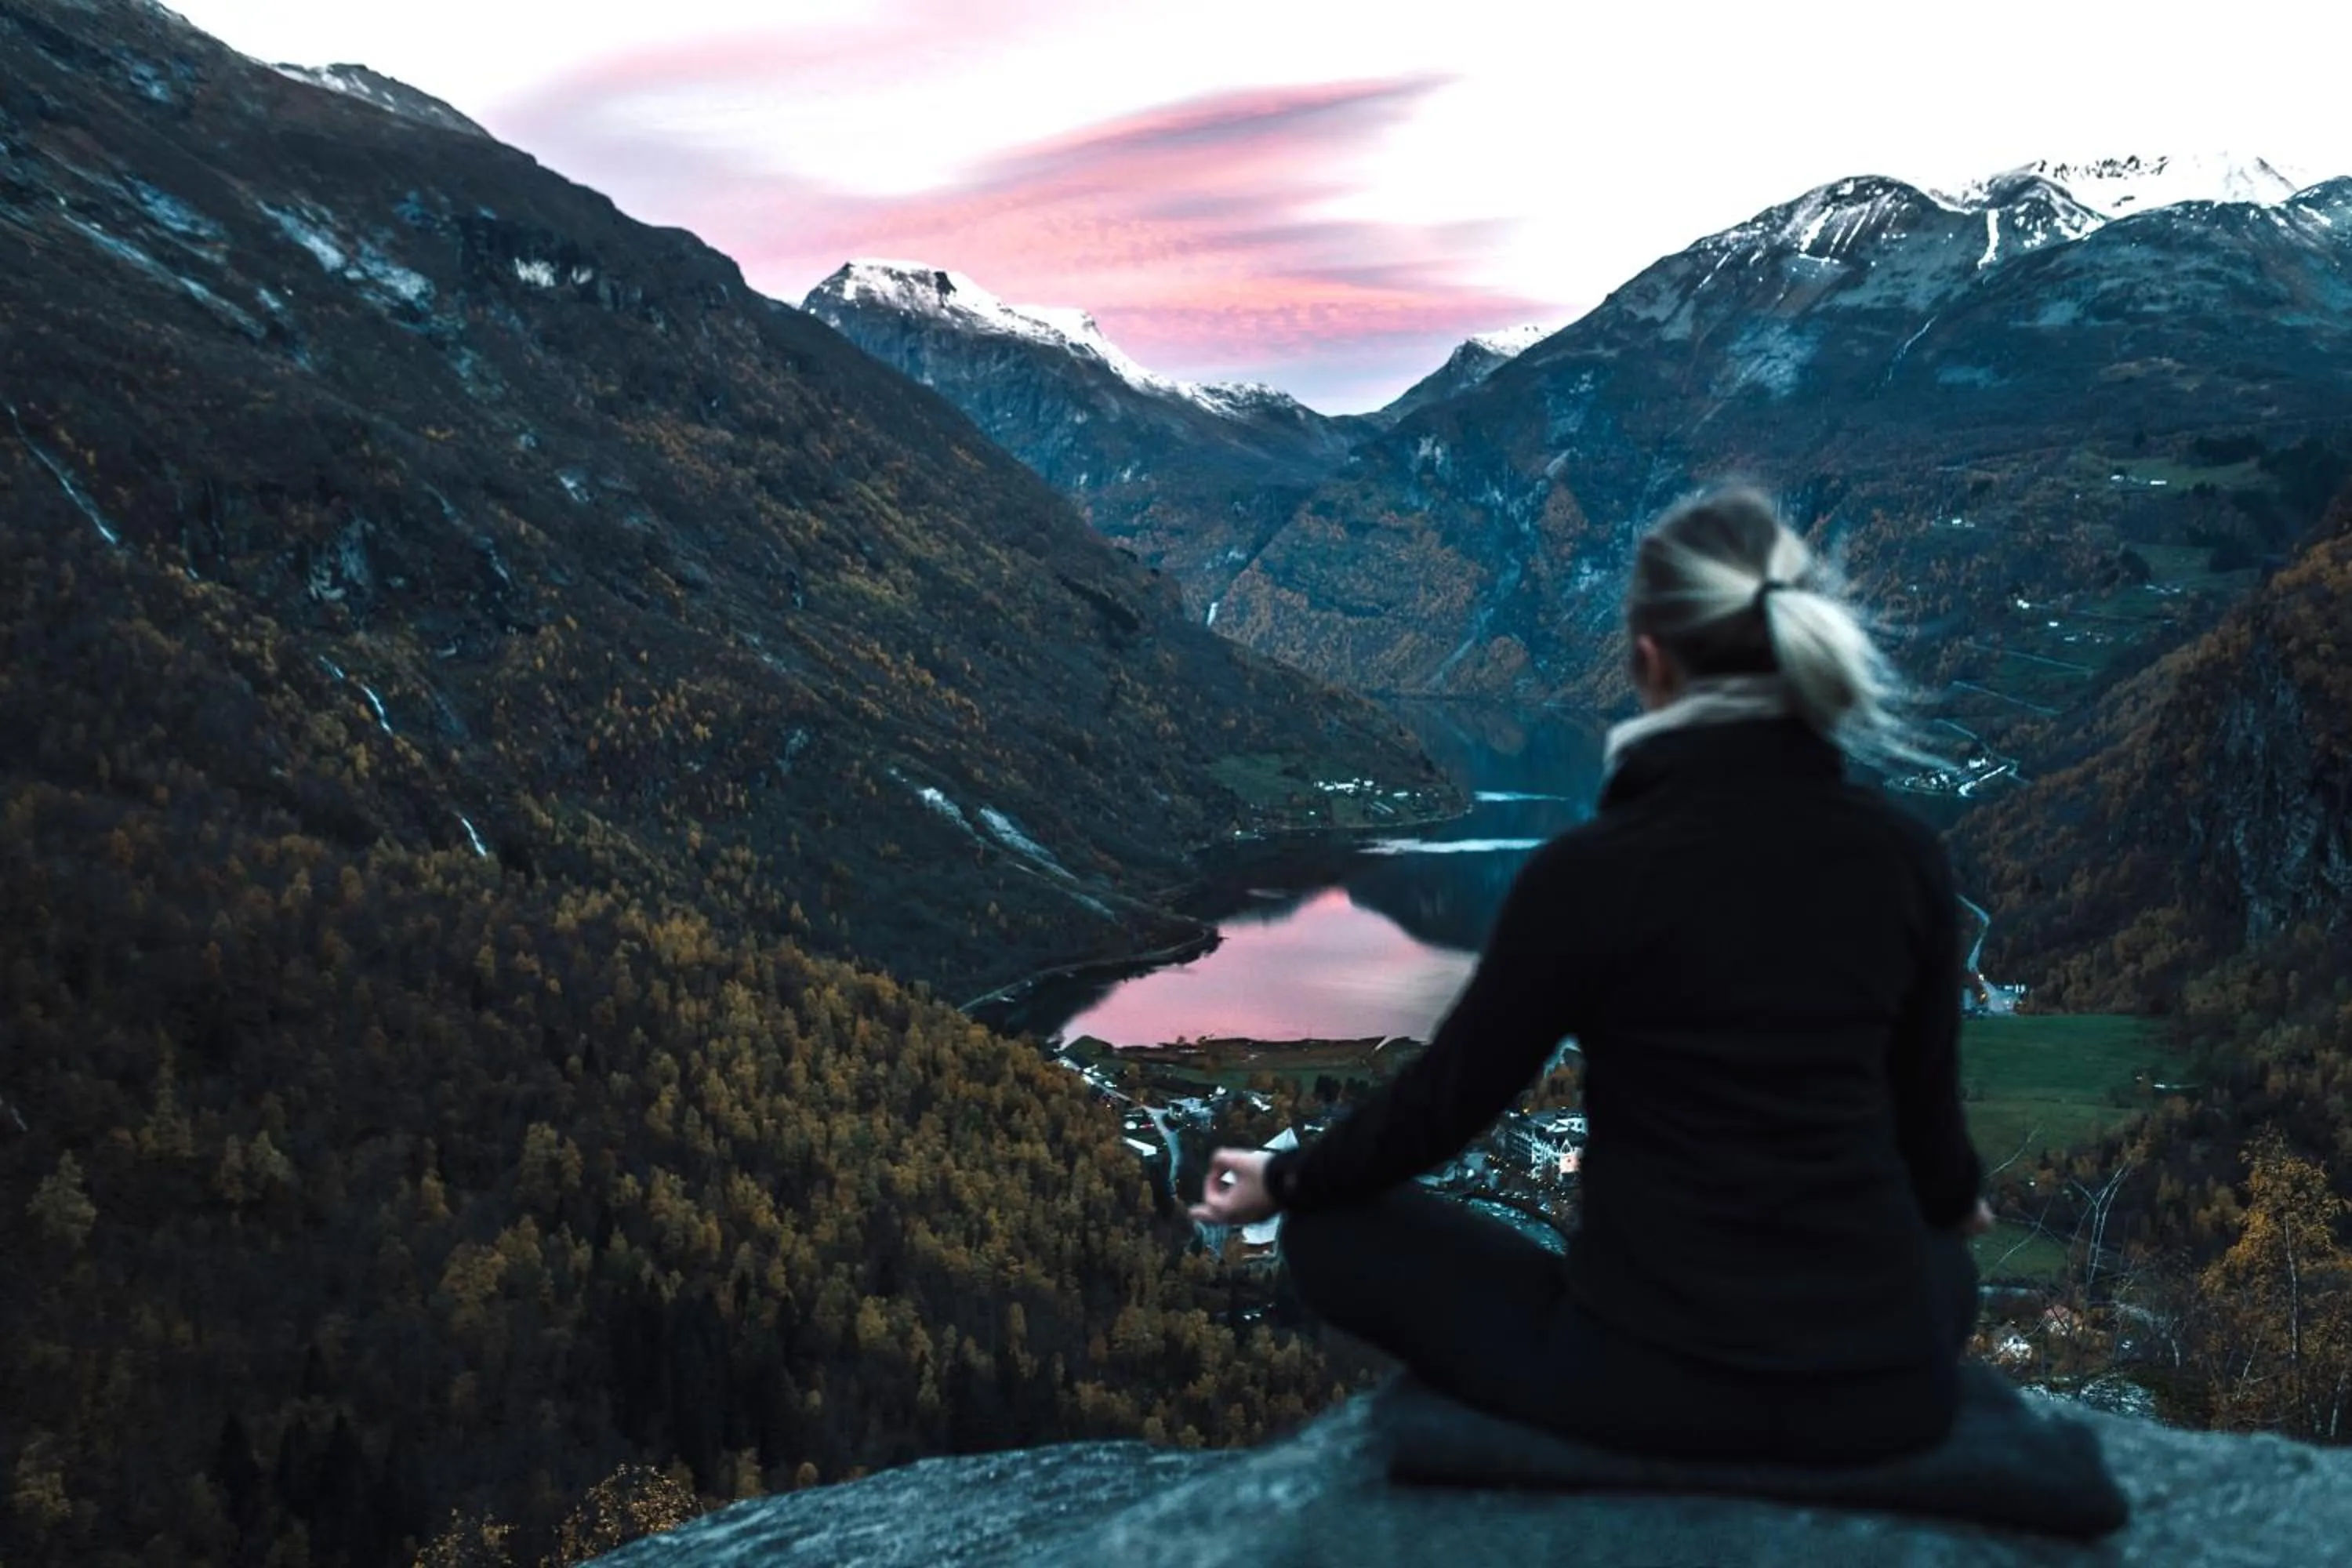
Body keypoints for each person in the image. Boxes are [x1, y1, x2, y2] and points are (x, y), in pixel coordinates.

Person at [1189, 486, 1992, 1465]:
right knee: (1943, 1268)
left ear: (1648, 662)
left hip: (1643, 1380)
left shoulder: (1594, 872)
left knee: (1329, 1234)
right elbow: (1934, 1146)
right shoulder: (1905, 857)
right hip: (1879, 1386)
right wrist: (1941, 1207)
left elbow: (1443, 1107)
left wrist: (1284, 1178)